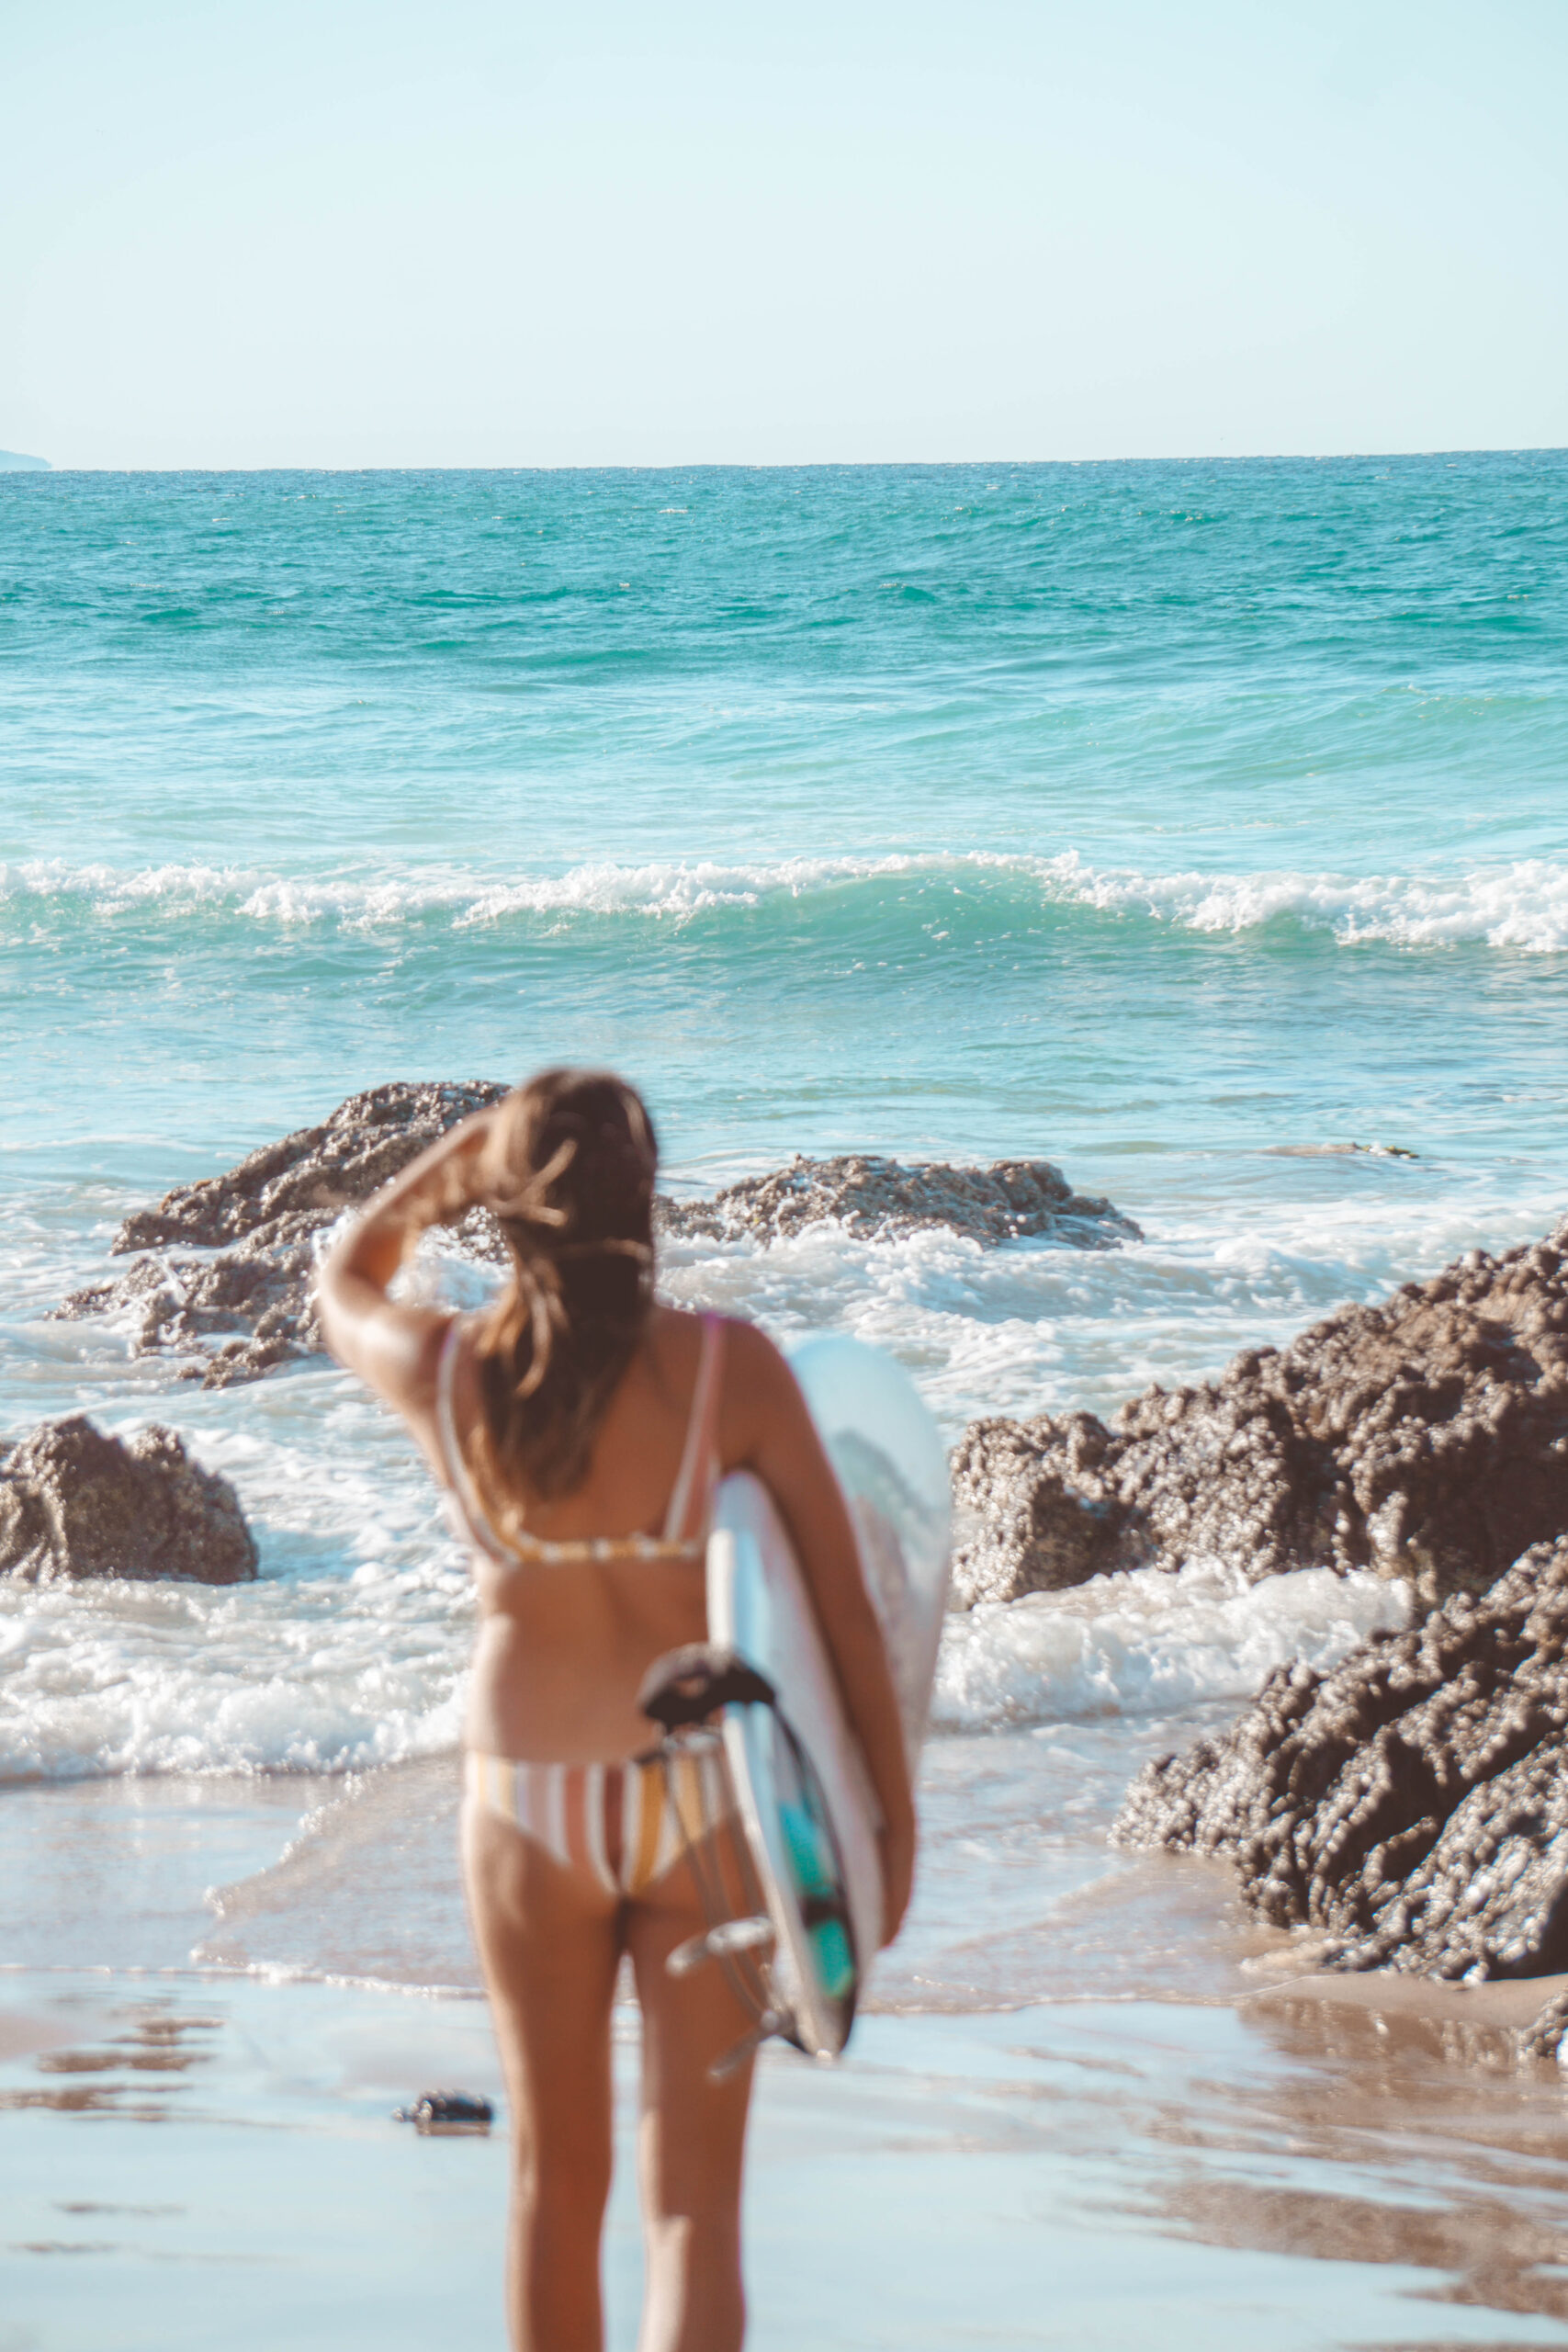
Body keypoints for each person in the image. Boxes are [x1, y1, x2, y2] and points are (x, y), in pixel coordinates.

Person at [318, 1069, 916, 2352]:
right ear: (647, 1200)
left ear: (508, 1212)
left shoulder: (452, 1371)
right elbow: (849, 1612)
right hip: (702, 1791)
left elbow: (344, 1282)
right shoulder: (727, 1371)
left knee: (552, 2186)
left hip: (528, 1797)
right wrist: (886, 1827)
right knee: (694, 2202)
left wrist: (448, 1169)